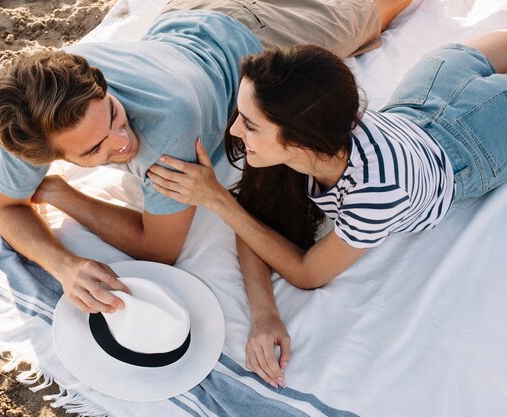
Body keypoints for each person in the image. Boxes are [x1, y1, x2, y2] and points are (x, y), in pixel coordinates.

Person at [0, 0, 412, 315]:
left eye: (114, 114)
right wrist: (64, 265)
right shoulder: (31, 112)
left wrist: (63, 195)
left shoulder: (165, 127)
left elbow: (157, 251)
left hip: (265, 44)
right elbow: (5, 207)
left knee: (377, 10)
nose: (123, 142)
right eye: (95, 149)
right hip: (193, 15)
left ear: (97, 84)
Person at [148, 31, 507, 387]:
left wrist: (216, 198)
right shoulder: (294, 141)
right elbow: (253, 223)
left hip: (473, 143)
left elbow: (308, 273)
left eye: (250, 123)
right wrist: (264, 314)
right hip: (425, 92)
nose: (237, 128)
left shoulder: (379, 191)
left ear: (301, 138)